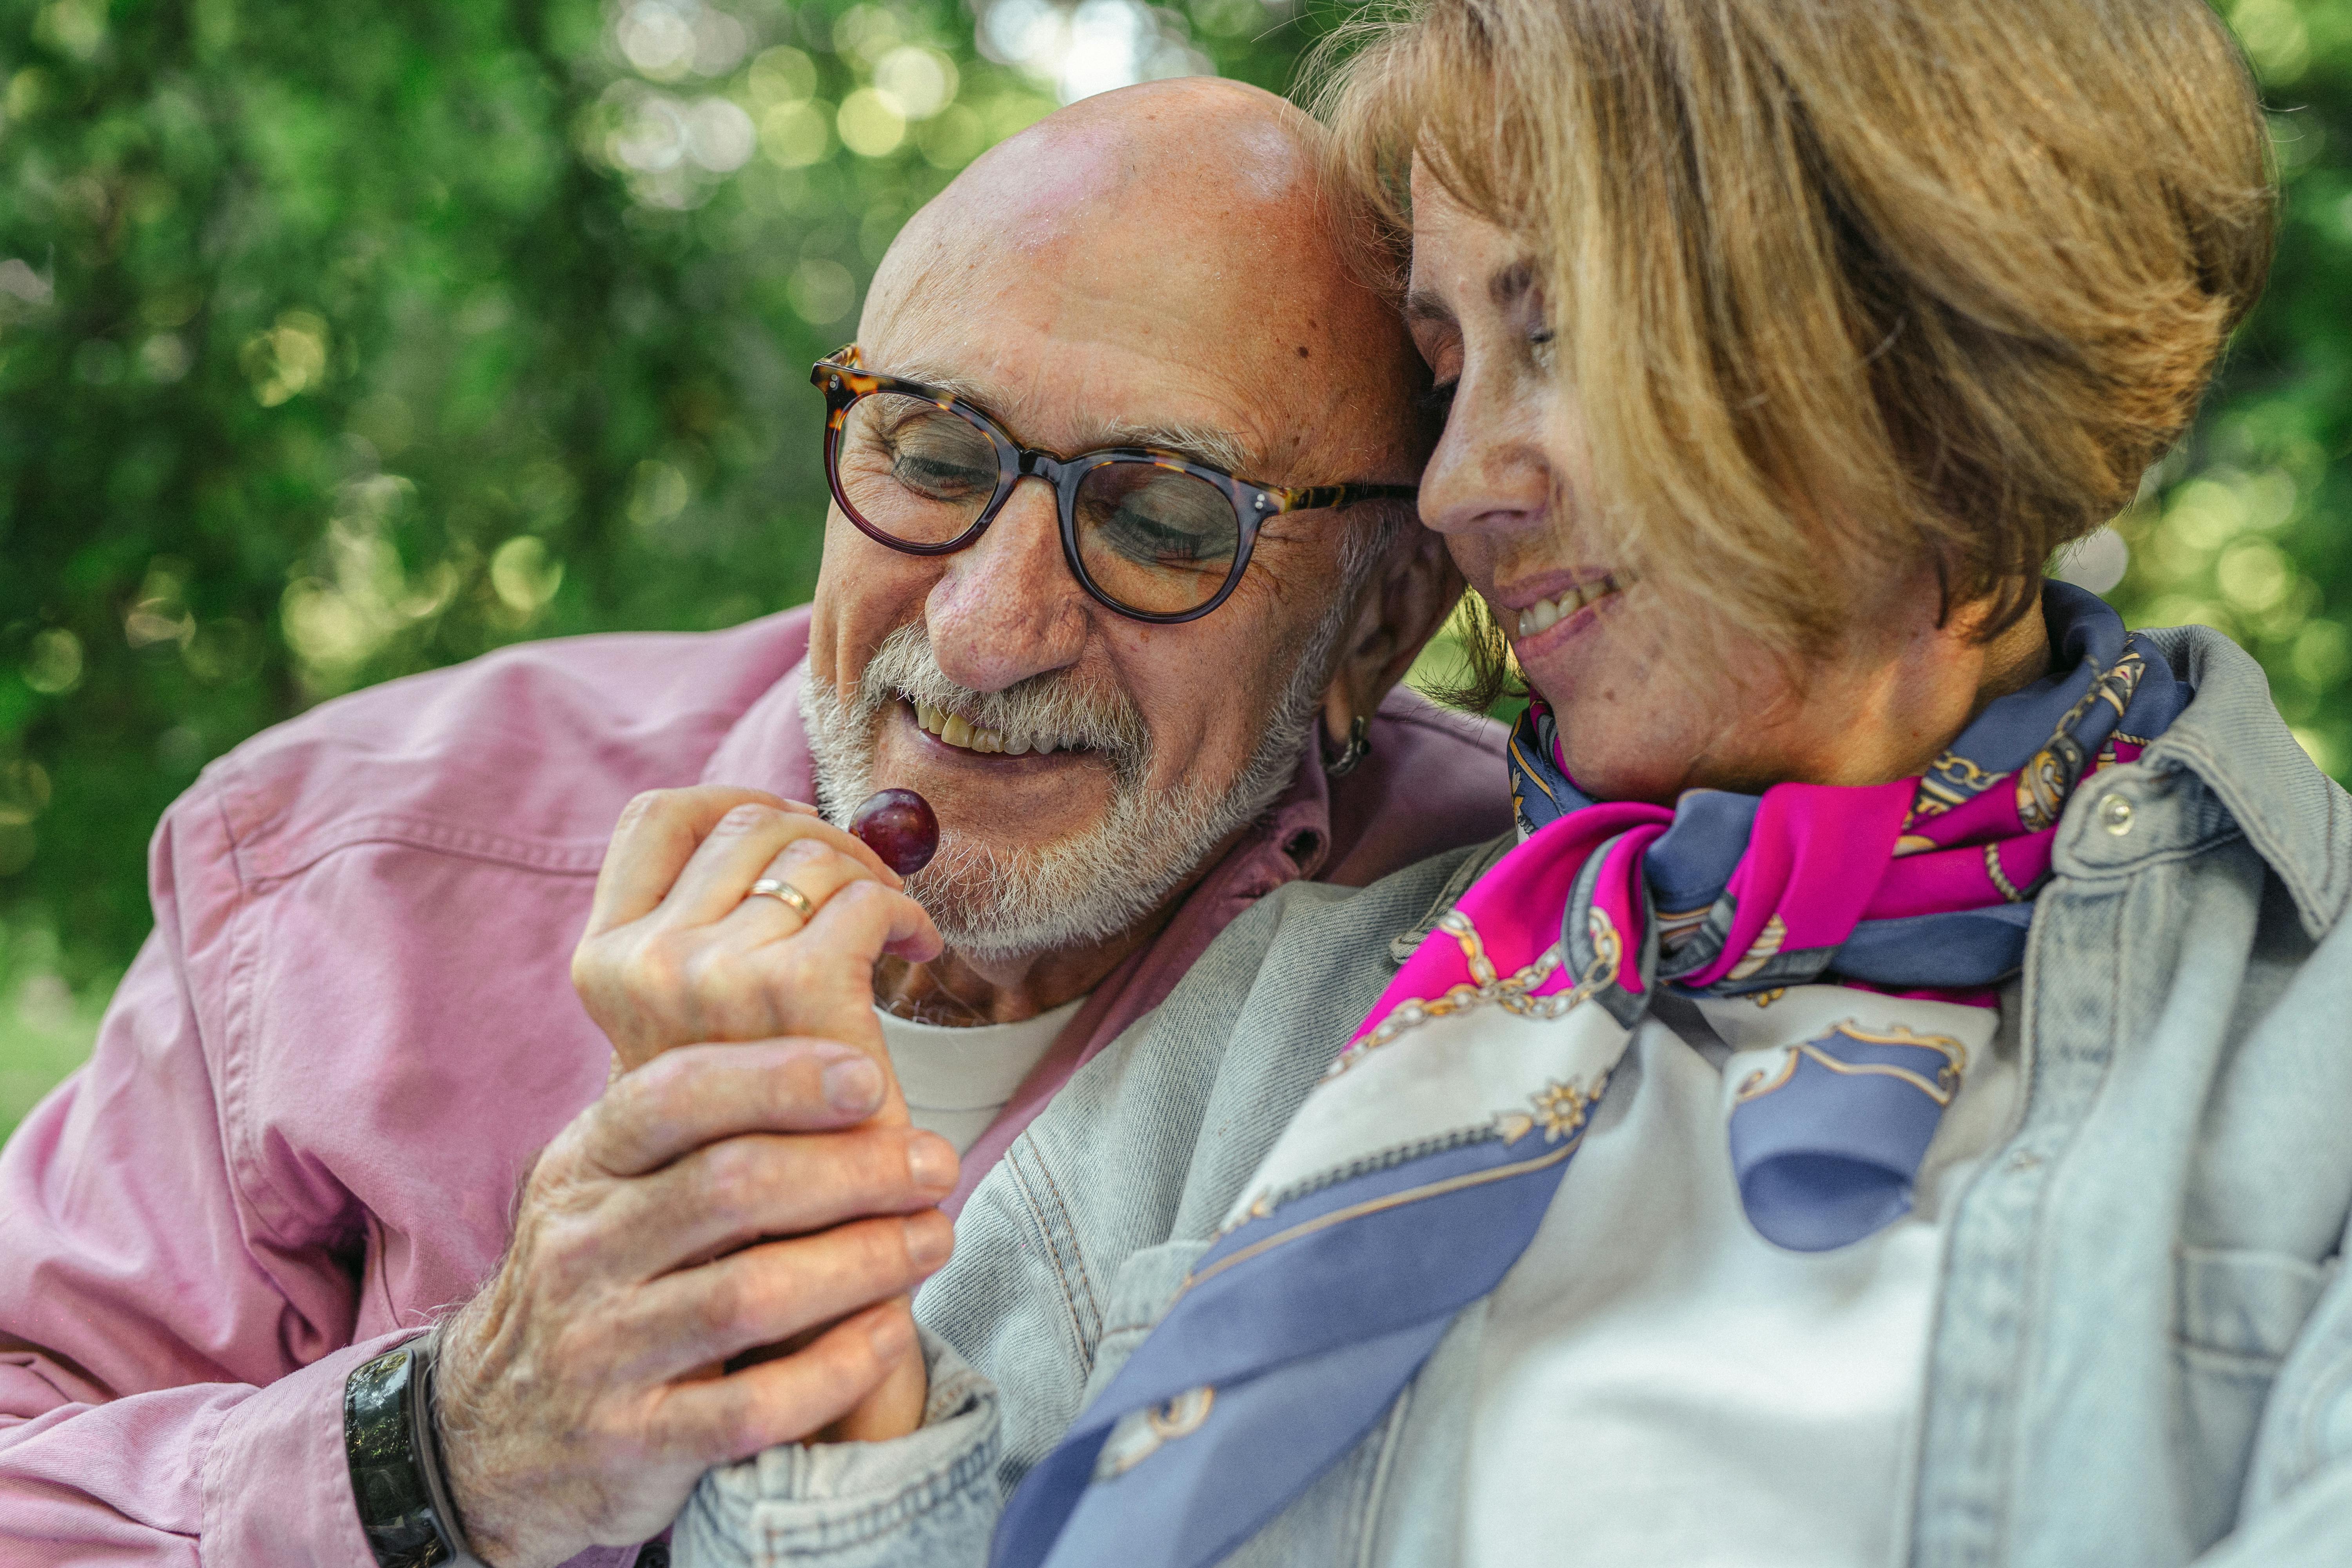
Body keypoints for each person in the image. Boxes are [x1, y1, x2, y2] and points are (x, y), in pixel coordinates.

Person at [670, 2, 2352, 1565]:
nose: (1463, 485)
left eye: (1558, 334)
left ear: (1915, 349)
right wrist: (780, 1243)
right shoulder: (1280, 1014)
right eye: (1452, 359)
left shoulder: (2306, 1052)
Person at [0, 79, 1514, 1567]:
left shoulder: (1518, 956)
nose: (986, 634)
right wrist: (449, 1451)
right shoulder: (347, 863)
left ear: (1378, 626)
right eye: (932, 454)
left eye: (1162, 519)